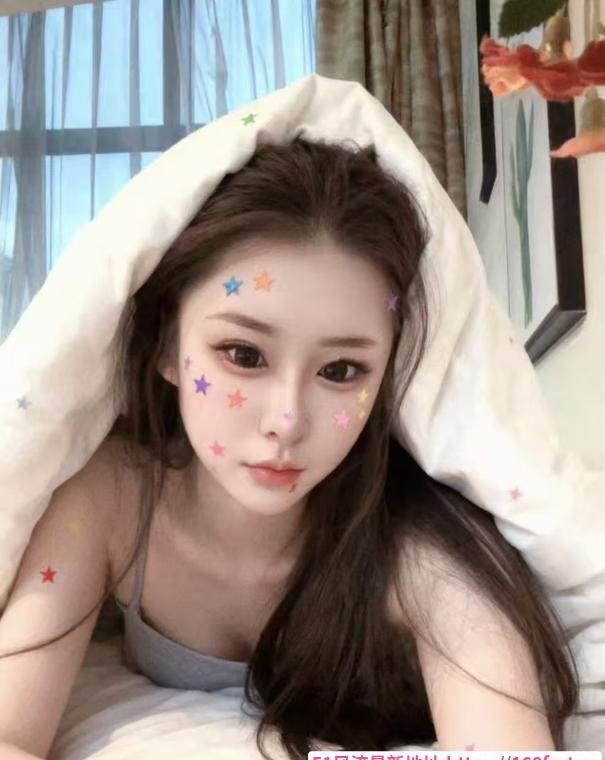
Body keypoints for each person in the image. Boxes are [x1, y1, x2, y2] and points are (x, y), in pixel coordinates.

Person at [0, 137, 580, 760]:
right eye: (243, 354)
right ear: (168, 346)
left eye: (341, 370)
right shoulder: (111, 497)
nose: (287, 421)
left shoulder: (422, 546)